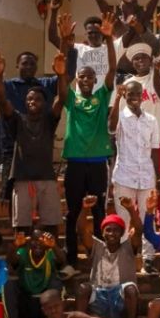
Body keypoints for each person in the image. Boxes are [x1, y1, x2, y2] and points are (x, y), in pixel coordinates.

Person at [56, 14, 114, 259]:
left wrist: (110, 39)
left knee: (100, 212)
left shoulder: (102, 97)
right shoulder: (71, 99)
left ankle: (100, 259)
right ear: (77, 80)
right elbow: (61, 70)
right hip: (76, 164)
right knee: (72, 212)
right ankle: (71, 258)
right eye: (82, 77)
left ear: (94, 80)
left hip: (99, 163)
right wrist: (63, 42)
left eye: (90, 77)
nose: (87, 80)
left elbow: (112, 69)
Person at [0, 50, 66, 236]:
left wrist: (62, 74)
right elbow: (1, 99)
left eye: (38, 99)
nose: (33, 101)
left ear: (44, 102)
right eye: (30, 98)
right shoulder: (17, 119)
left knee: (51, 223)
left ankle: (52, 258)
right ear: (25, 102)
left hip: (46, 177)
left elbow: (62, 98)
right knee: (21, 224)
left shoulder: (50, 120)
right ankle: (21, 258)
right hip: (22, 177)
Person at [0, 48, 57, 180]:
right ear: (17, 65)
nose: (28, 66)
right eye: (24, 63)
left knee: (40, 191)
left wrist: (64, 43)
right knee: (11, 192)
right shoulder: (7, 86)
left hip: (41, 150)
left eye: (32, 63)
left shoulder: (47, 85)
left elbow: (67, 75)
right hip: (12, 149)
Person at [108, 78, 160, 255]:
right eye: (130, 94)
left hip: (146, 177)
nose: (135, 97)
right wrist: (117, 99)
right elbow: (110, 128)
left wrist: (157, 177)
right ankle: (124, 257)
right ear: (125, 95)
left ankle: (148, 258)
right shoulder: (120, 117)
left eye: (138, 94)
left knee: (149, 218)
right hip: (124, 176)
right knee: (123, 219)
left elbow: (154, 150)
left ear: (143, 96)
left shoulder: (152, 120)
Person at [77, 197, 140, 318]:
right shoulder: (97, 246)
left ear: (122, 233)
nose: (112, 233)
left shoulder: (127, 247)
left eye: (116, 230)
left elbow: (138, 230)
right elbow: (81, 231)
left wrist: (130, 209)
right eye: (108, 230)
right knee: (83, 289)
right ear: (102, 232)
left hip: (120, 299)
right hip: (99, 298)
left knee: (131, 289)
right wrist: (85, 209)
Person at [11, 228, 64, 318]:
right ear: (29, 242)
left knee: (57, 283)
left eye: (41, 240)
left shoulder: (50, 253)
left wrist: (54, 246)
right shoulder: (23, 252)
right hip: (25, 305)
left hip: (45, 308)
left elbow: (63, 261)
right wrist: (15, 246)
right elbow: (11, 261)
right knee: (8, 285)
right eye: (35, 240)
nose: (38, 244)